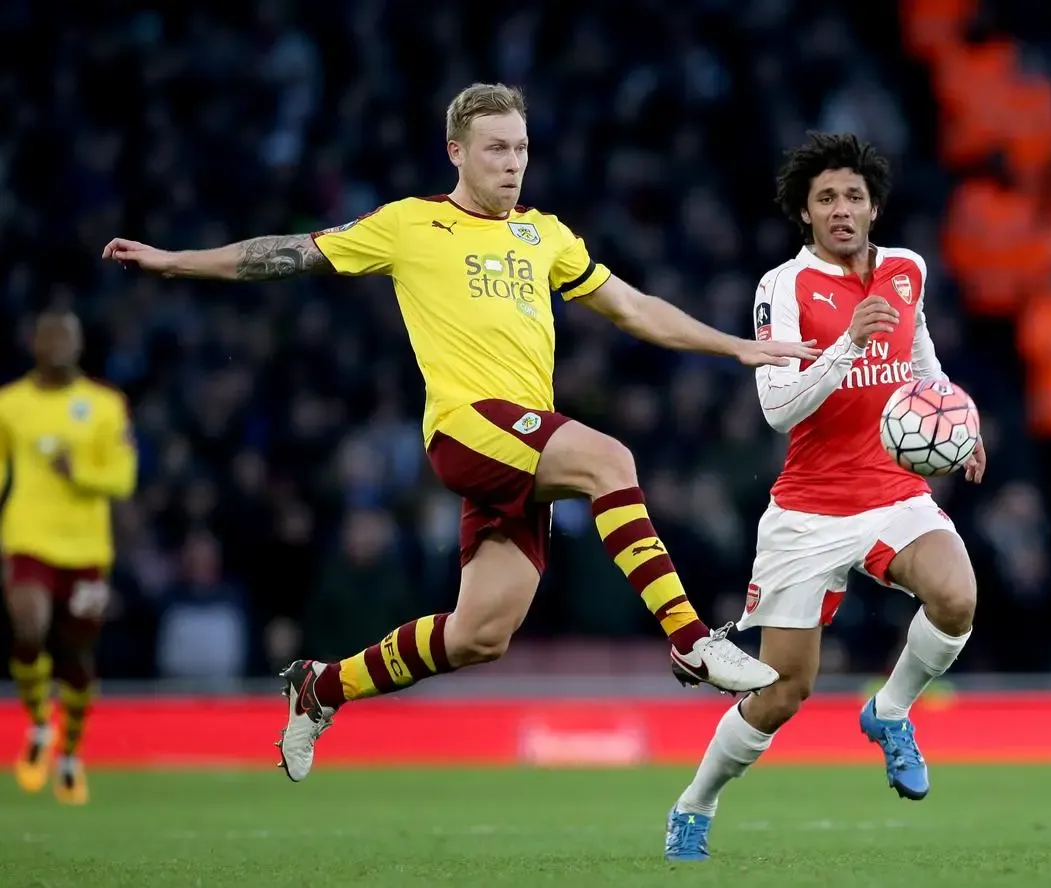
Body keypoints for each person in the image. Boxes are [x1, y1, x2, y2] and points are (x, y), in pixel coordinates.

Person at [101, 82, 820, 782]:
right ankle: (692, 641)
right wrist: (175, 261)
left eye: (522, 149)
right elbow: (291, 252)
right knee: (609, 458)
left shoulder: (545, 235)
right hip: (467, 428)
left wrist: (734, 346)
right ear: (457, 152)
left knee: (479, 634)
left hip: (526, 445)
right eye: (497, 149)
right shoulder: (411, 224)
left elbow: (632, 307)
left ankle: (321, 687)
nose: (512, 163)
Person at [663, 132, 987, 861]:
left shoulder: (907, 270)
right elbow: (777, 407)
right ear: (805, 214)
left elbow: (919, 349)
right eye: (826, 199)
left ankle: (891, 709)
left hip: (892, 487)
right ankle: (694, 804)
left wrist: (951, 417)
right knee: (784, 690)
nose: (842, 210)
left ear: (874, 207)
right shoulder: (782, 288)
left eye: (854, 197)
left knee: (957, 596)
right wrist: (845, 344)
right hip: (809, 509)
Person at [0, 308, 138, 805]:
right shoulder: (9, 405)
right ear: (33, 343)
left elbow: (122, 479)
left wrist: (76, 469)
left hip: (86, 548)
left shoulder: (104, 405)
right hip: (28, 537)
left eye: (65, 336)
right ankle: (39, 723)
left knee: (77, 656)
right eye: (48, 335)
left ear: (79, 345)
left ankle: (70, 754)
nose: (56, 344)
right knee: (29, 626)